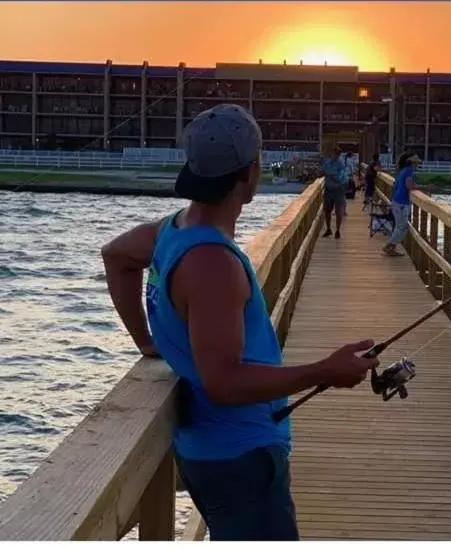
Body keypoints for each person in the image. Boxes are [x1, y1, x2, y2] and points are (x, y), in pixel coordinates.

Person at [100, 104, 379, 541]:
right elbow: (224, 383)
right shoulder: (212, 262)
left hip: (212, 452)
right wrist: (327, 370)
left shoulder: (172, 230)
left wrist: (148, 342)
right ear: (251, 170)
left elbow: (116, 257)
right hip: (240, 459)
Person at [382, 151, 432, 257]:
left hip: (397, 201)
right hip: (401, 203)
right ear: (412, 163)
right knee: (402, 227)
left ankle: (391, 248)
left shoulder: (402, 170)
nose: (417, 165)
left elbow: (397, 185)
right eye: (416, 163)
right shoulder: (408, 171)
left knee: (399, 227)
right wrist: (425, 187)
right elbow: (409, 186)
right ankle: (388, 246)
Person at [320, 145, 347, 239]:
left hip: (339, 190)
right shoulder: (327, 162)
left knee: (338, 211)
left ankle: (338, 230)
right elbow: (322, 172)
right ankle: (328, 229)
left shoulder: (341, 164)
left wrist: (331, 174)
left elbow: (342, 178)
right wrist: (326, 173)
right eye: (334, 154)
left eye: (337, 154)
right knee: (327, 210)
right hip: (328, 189)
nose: (335, 156)